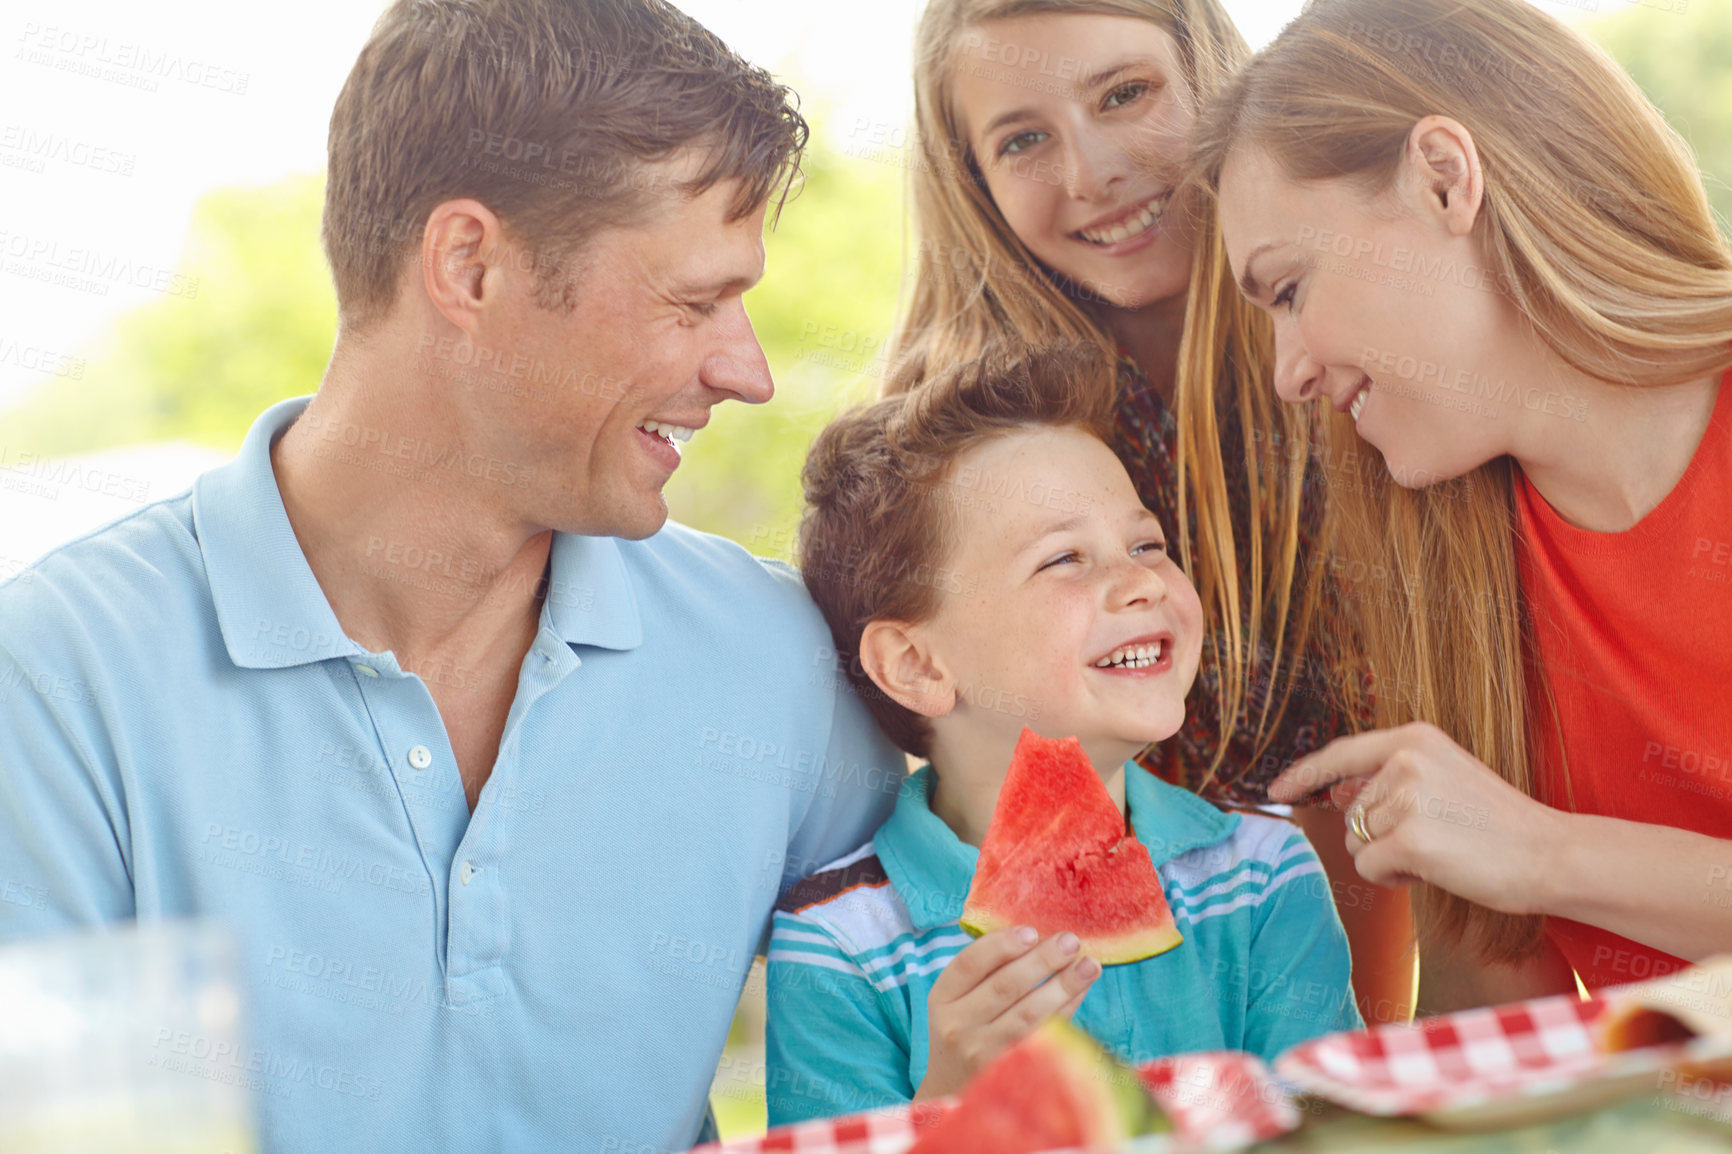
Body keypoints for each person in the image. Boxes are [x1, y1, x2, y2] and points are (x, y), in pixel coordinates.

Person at [0, 1, 907, 1149]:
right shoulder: (57, 683)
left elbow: (949, 991)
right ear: (469, 264)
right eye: (691, 302)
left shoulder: (771, 656)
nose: (748, 370)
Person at [1196, 0, 1732, 1011]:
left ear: (1444, 179)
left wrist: (1542, 852)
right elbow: (1493, 1028)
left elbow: (1525, 865)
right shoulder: (1443, 563)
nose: (1285, 372)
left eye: (1288, 288)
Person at [886, 0, 1415, 1021]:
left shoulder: (1380, 357)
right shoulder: (956, 445)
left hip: (1359, 975)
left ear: (1215, 77)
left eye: (1124, 95)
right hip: (1089, 1008)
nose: (1090, 175)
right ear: (972, 181)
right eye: (1023, 139)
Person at [763, 346, 1359, 1123]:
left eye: (1147, 545)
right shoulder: (837, 944)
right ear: (914, 664)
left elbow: (1337, 1136)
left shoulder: (1259, 878)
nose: (1143, 580)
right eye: (1065, 559)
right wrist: (949, 1103)